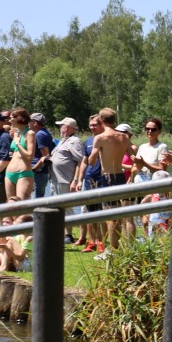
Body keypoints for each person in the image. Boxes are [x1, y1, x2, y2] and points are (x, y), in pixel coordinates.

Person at [89, 109, 132, 255]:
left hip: (107, 177)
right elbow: (134, 157)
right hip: (121, 177)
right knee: (118, 215)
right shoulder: (124, 137)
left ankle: (113, 250)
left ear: (101, 121)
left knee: (110, 216)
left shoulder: (100, 137)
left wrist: (97, 153)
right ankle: (116, 248)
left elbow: (91, 161)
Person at [49, 118, 86, 244]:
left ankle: (68, 235)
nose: (60, 128)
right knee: (57, 206)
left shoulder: (75, 141)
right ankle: (59, 232)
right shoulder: (63, 140)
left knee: (66, 207)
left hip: (66, 179)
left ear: (68, 127)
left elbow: (80, 161)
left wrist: (75, 180)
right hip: (55, 179)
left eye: (62, 125)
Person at [75, 114, 105, 253]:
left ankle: (101, 241)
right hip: (88, 179)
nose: (93, 127)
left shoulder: (106, 138)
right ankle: (91, 242)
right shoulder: (88, 141)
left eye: (95, 124)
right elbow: (84, 161)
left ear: (101, 124)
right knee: (90, 212)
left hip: (102, 179)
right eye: (91, 125)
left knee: (102, 212)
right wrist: (79, 179)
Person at [1, 108, 36, 217]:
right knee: (10, 205)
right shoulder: (16, 132)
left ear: (20, 118)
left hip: (23, 173)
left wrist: (18, 144)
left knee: (21, 206)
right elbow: (4, 126)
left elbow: (30, 156)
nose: (9, 120)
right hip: (9, 173)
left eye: (12, 118)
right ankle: (12, 227)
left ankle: (24, 227)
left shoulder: (30, 133)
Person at [29, 112, 54, 198]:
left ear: (35, 123)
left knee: (37, 198)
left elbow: (45, 156)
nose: (28, 123)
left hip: (38, 172)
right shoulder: (44, 132)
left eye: (30, 121)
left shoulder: (40, 134)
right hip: (40, 171)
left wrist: (33, 169)